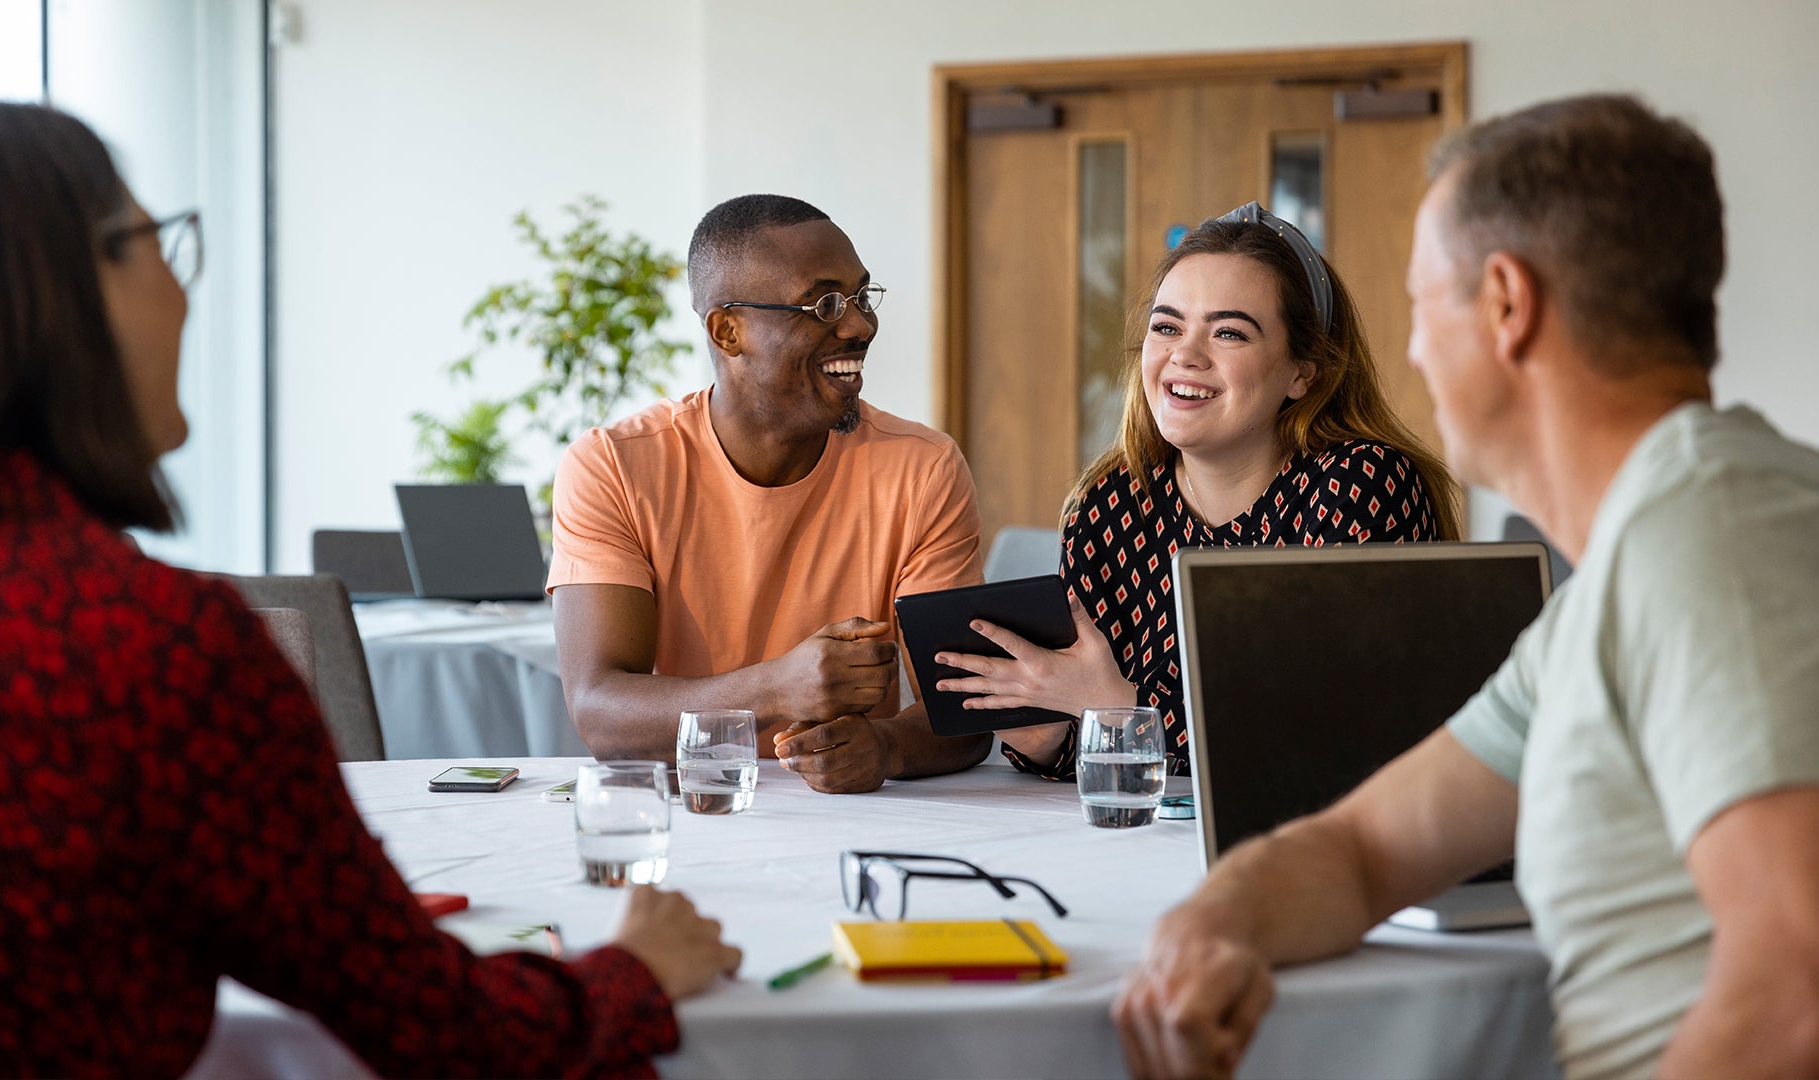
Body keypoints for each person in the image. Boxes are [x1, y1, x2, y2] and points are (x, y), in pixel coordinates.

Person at [0, 102, 740, 1078]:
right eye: (152, 243)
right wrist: (632, 973)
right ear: (57, 296)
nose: (181, 289)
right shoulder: (151, 646)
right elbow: (435, 1029)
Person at [1111, 94, 1819, 1080]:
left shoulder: (1713, 536)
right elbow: (1362, 849)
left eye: (1420, 304)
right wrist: (1216, 921)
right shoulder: (1617, 586)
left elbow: (1798, 993)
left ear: (1504, 304)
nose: (1408, 352)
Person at [937, 204, 1458, 779]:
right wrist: (1046, 735)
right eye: (1167, 326)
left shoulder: (1361, 485)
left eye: (1229, 332)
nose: (1184, 354)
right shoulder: (1108, 505)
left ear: (1302, 373)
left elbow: (1337, 741)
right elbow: (1091, 754)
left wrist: (1114, 712)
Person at [548, 194, 989, 794]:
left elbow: (966, 714)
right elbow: (600, 711)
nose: (861, 324)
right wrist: (777, 689)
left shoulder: (922, 469)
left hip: (853, 822)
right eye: (824, 302)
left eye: (861, 297)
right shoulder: (614, 466)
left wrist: (886, 748)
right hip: (692, 814)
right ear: (728, 331)